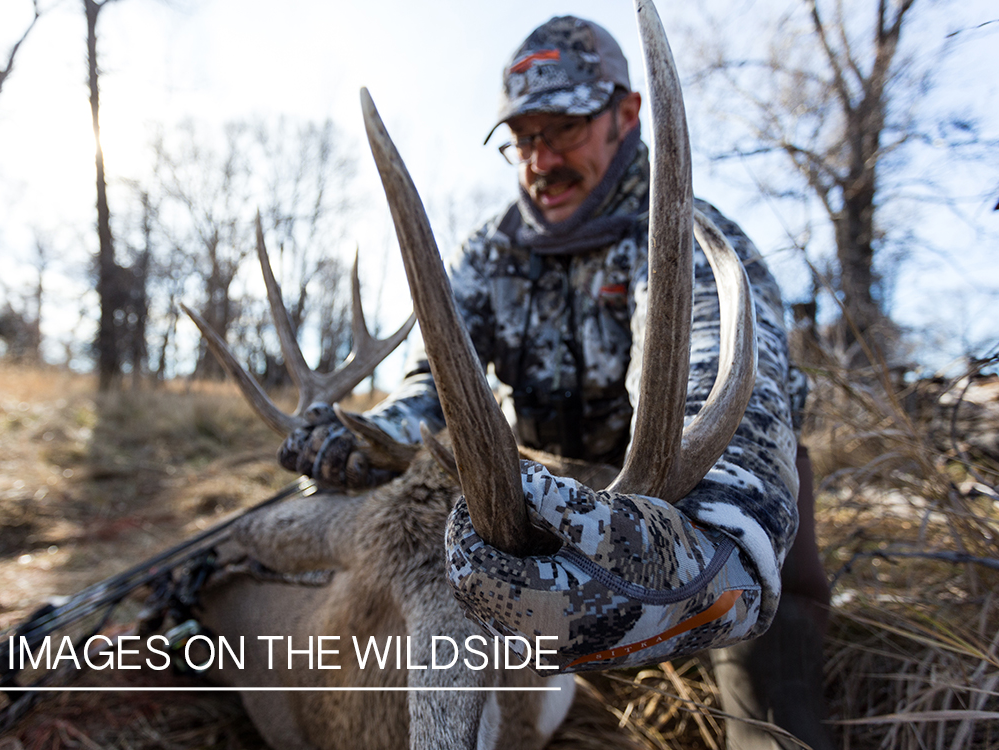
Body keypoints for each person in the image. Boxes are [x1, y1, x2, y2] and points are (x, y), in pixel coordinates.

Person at [279, 16, 832, 750]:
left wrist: (704, 539)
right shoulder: (491, 254)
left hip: (662, 501)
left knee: (765, 574)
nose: (541, 159)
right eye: (523, 138)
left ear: (624, 115)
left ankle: (767, 721)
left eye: (563, 129)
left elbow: (725, 401)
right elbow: (440, 384)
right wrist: (369, 436)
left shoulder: (683, 237)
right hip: (539, 492)